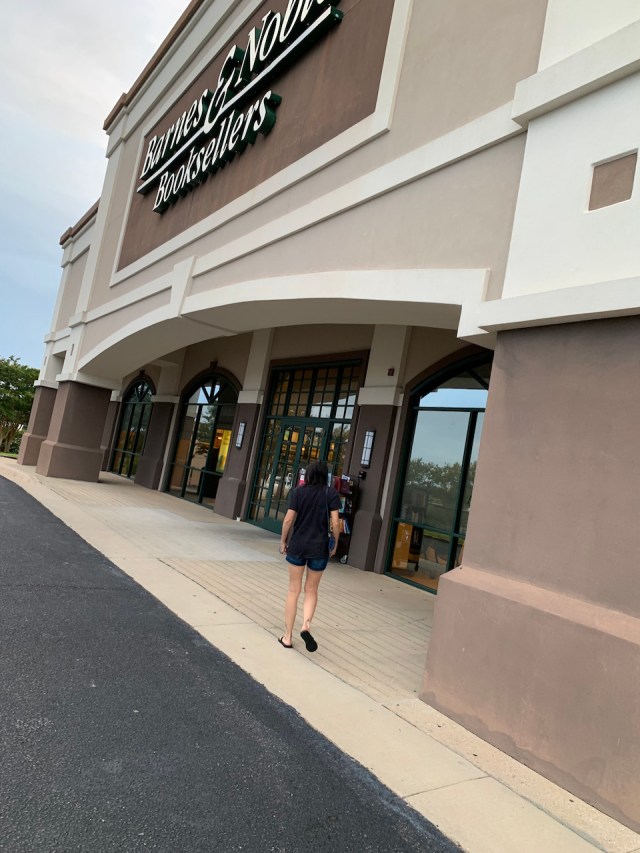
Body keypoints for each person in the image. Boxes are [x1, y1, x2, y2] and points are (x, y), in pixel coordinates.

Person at [278, 460, 341, 652]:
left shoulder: (298, 492)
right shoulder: (331, 493)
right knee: (311, 589)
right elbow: (335, 523)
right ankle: (305, 625)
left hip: (298, 545)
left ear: (308, 475)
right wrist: (335, 543)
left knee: (293, 590)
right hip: (319, 548)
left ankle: (287, 637)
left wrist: (283, 541)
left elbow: (288, 519)